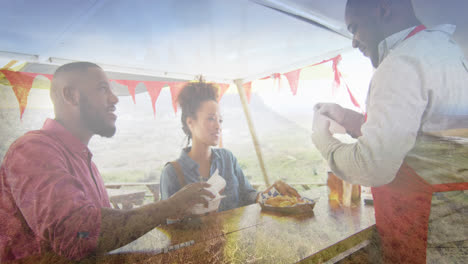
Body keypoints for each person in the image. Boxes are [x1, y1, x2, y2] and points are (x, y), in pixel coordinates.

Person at [0, 62, 215, 262]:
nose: (114, 99)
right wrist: (170, 206)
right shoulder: (32, 150)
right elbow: (79, 235)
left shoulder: (85, 161)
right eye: (103, 89)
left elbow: (103, 238)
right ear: (70, 95)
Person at [312, 0, 468, 263]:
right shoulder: (443, 50)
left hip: (425, 228)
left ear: (382, 10)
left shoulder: (401, 62)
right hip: (453, 219)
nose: (353, 42)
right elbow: (420, 138)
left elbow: (373, 166)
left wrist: (324, 142)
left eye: (354, 28)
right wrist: (350, 119)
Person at [160, 79, 300, 212]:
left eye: (220, 120)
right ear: (190, 122)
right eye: (211, 119)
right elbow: (168, 225)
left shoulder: (227, 159)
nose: (218, 126)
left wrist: (271, 193)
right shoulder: (172, 173)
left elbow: (248, 197)